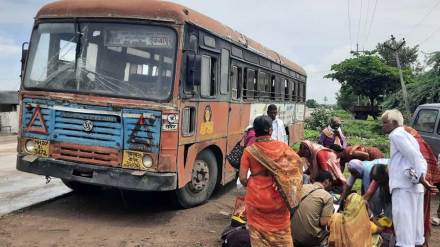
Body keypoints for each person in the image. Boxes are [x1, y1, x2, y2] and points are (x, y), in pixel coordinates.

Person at [239, 115, 303, 247]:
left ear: (254, 131)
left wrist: (253, 184)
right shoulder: (283, 147)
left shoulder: (249, 151)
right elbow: (298, 164)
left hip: (255, 198)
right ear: (270, 130)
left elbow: (242, 178)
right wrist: (284, 179)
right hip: (278, 196)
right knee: (282, 232)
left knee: (257, 235)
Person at [381, 109, 437, 247]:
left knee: (404, 229)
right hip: (414, 187)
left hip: (403, 187)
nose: (383, 126)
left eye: (385, 122)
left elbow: (414, 156)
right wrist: (421, 178)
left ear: (394, 122)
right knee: (416, 230)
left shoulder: (396, 134)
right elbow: (419, 158)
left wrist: (421, 178)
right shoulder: (409, 136)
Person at [404, 126, 440, 246]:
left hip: (421, 182)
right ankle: (422, 241)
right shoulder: (420, 142)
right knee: (422, 214)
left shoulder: (410, 145)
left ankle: (417, 241)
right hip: (424, 181)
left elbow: (413, 167)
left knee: (415, 214)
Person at [291, 171, 335, 247]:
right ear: (327, 181)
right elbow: (323, 222)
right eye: (331, 184)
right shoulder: (327, 196)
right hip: (308, 239)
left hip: (291, 234)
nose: (330, 187)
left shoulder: (302, 187)